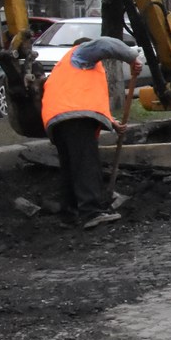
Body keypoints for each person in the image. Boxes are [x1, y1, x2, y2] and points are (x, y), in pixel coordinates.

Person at [43, 36, 142, 230]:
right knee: (87, 163)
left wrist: (112, 123)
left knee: (71, 166)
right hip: (75, 117)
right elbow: (105, 44)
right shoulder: (81, 52)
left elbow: (82, 96)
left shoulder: (66, 69)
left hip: (58, 120)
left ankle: (69, 214)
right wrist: (131, 57)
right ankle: (91, 212)